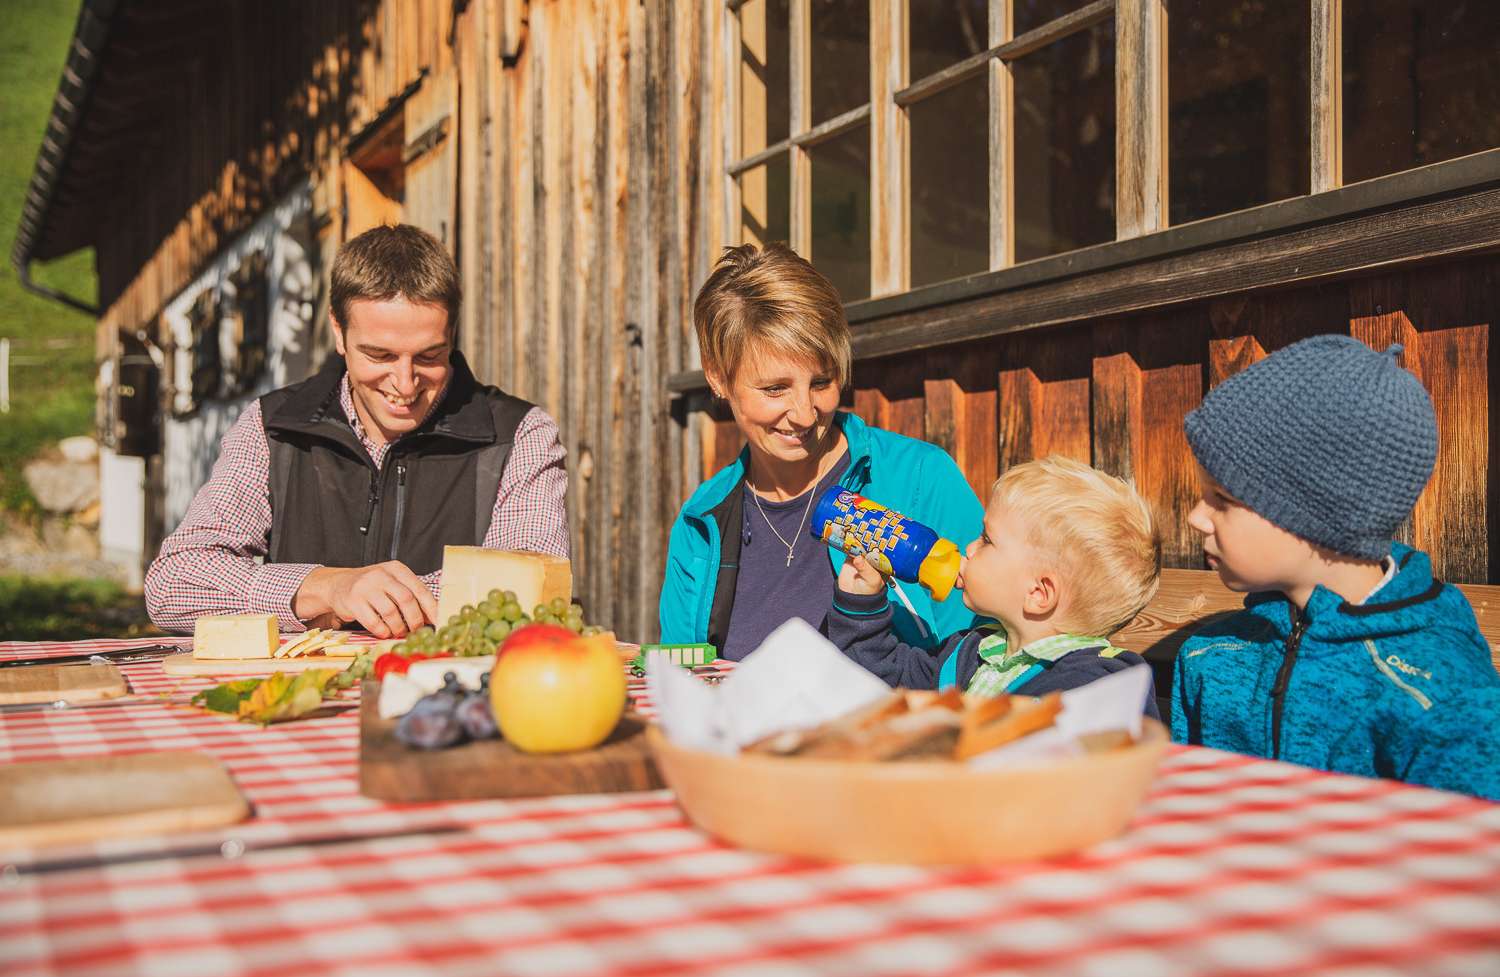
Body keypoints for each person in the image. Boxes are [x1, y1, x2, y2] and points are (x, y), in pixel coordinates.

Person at [144, 224, 569, 638]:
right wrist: (326, 587)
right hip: (299, 702)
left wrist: (367, 599)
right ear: (338, 332)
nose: (404, 383)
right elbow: (173, 583)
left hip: (451, 695)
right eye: (379, 355)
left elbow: (527, 586)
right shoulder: (272, 427)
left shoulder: (519, 435)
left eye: (429, 356)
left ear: (452, 334)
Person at [1172, 334, 1500, 799]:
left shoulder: (1437, 696)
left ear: (1317, 514)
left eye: (1222, 499)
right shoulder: (1214, 654)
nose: (1195, 516)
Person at [659, 243, 984, 659]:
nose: (804, 414)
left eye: (821, 382)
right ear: (718, 378)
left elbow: (988, 655)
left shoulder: (920, 479)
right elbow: (678, 675)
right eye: (775, 388)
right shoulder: (701, 522)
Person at [828, 455, 1162, 717]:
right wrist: (862, 604)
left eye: (987, 540)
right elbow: (890, 682)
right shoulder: (973, 654)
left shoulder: (1100, 688)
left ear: (1038, 594)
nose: (969, 548)